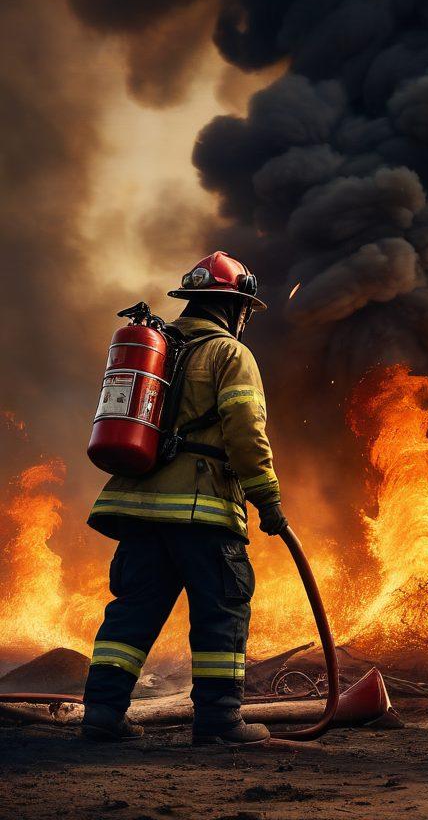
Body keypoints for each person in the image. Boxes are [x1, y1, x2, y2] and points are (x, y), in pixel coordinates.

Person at [81, 252, 288, 745]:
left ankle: (102, 714)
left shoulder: (159, 346)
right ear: (234, 307)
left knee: (133, 611)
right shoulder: (230, 355)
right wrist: (267, 499)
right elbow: (245, 435)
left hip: (139, 508)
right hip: (202, 509)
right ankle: (219, 722)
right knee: (222, 612)